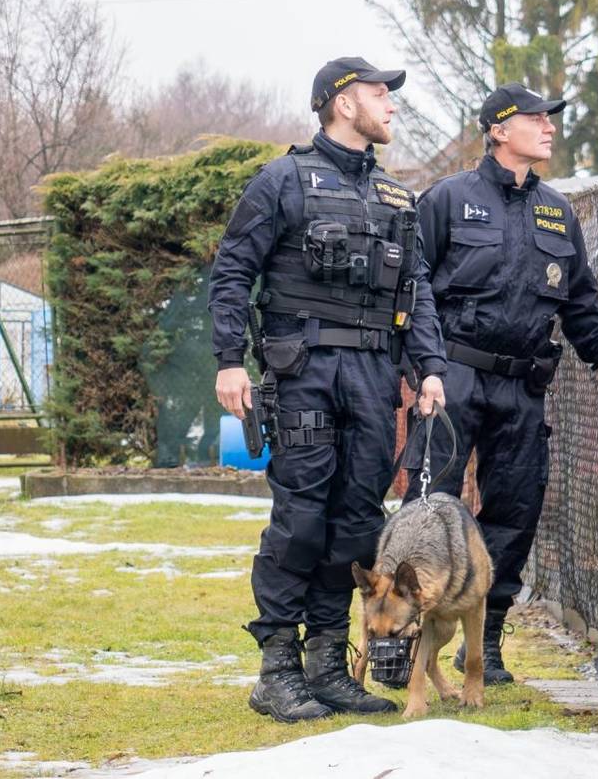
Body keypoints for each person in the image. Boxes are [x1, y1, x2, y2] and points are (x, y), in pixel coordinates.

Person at [208, 57, 447, 723]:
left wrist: (429, 368)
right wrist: (230, 360)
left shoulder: (398, 198)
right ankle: (277, 668)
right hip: (304, 371)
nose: (390, 104)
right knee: (302, 520)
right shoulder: (281, 181)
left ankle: (328, 666)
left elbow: (417, 291)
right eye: (379, 93)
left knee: (355, 524)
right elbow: (233, 271)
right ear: (341, 102)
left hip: (374, 379)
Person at [406, 82, 598, 684]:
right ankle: (404, 633)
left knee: (515, 511)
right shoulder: (448, 200)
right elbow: (412, 289)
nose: (550, 127)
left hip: (523, 386)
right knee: (431, 507)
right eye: (537, 118)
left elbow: (581, 305)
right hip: (454, 376)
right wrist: (421, 368)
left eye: (550, 118)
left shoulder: (558, 211)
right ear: (499, 129)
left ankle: (484, 637)